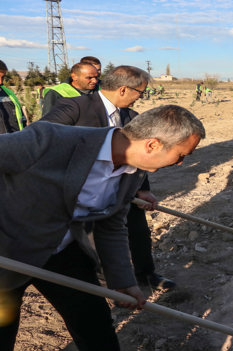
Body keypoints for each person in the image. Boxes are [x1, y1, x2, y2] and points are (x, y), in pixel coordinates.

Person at [0, 104, 205, 350]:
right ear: (152, 145)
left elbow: (111, 224)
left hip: (63, 253)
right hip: (7, 253)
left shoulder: (132, 170)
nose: (181, 163)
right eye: (181, 155)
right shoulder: (49, 140)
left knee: (95, 330)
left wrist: (122, 280)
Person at [41, 65, 177, 290]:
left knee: (138, 230)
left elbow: (141, 156)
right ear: (124, 89)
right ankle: (106, 282)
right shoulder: (75, 107)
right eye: (140, 92)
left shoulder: (132, 117)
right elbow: (42, 139)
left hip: (122, 186)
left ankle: (146, 273)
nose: (141, 98)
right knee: (94, 242)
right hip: (81, 191)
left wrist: (143, 188)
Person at [0, 60, 26, 134]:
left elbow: (21, 117)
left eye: (3, 77)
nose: (1, 81)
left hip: (15, 140)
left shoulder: (9, 93)